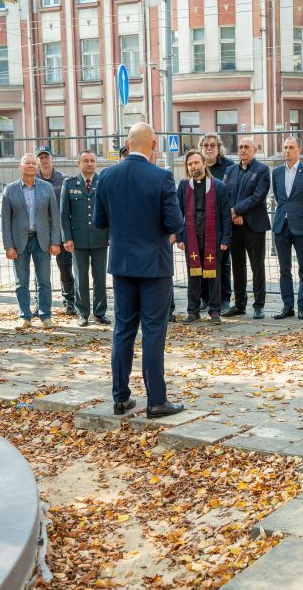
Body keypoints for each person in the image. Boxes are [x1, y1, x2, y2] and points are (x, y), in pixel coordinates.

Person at [93, 123, 185, 418]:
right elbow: (175, 224)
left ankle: (120, 397)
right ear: (154, 145)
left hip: (121, 263)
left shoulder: (106, 176)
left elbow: (98, 222)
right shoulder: (162, 177)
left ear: (128, 143)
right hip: (155, 266)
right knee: (154, 331)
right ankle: (156, 400)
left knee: (123, 330)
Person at [2, 154, 62, 330]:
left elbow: (54, 217)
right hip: (19, 242)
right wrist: (8, 246)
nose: (30, 166)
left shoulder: (46, 188)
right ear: (20, 167)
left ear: (37, 167)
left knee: (44, 280)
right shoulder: (10, 189)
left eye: (33, 163)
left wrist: (55, 241)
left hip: (41, 240)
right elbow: (6, 221)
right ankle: (25, 317)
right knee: (21, 281)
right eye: (26, 163)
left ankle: (45, 316)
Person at [177, 149, 231, 324]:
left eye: (196, 162)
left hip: (214, 238)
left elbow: (225, 215)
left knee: (213, 275)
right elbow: (178, 213)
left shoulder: (219, 187)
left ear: (204, 163)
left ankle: (215, 311)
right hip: (191, 237)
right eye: (190, 164)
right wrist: (179, 237)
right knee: (193, 275)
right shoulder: (184, 186)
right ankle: (193, 311)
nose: (193, 166)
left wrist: (225, 239)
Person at [60, 149, 110, 328]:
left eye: (92, 161)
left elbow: (109, 211)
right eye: (86, 161)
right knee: (81, 278)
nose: (90, 164)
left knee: (100, 278)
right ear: (79, 163)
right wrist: (67, 238)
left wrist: (110, 235)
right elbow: (64, 214)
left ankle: (100, 313)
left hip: (100, 237)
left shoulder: (103, 182)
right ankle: (83, 313)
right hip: (78, 239)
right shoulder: (70, 183)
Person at [271, 137, 303, 320]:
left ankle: (302, 306)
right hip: (281, 226)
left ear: (299, 149)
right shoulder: (276, 172)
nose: (287, 151)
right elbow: (279, 196)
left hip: (301, 226)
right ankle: (287, 305)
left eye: (291, 147)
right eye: (285, 148)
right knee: (284, 268)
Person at [223, 137, 271, 319]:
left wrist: (236, 211)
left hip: (254, 225)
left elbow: (258, 196)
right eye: (241, 147)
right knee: (237, 265)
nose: (243, 150)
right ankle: (239, 304)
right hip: (234, 226)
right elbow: (226, 194)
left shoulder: (263, 170)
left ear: (255, 150)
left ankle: (259, 305)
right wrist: (234, 215)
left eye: (247, 147)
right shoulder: (230, 170)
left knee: (257, 266)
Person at [35, 145, 75, 315]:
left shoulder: (63, 179)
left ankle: (69, 302)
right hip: (40, 233)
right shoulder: (33, 179)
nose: (44, 160)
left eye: (47, 156)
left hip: (60, 233)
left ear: (52, 158)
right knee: (40, 271)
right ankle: (40, 303)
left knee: (65, 269)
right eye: (41, 157)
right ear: (38, 160)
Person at [198, 132, 234, 313]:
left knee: (223, 264)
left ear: (219, 147)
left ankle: (225, 299)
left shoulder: (229, 167)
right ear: (201, 148)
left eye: (213, 145)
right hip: (201, 223)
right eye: (206, 145)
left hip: (221, 223)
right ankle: (206, 298)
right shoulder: (198, 167)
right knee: (202, 261)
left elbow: (233, 194)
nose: (209, 148)